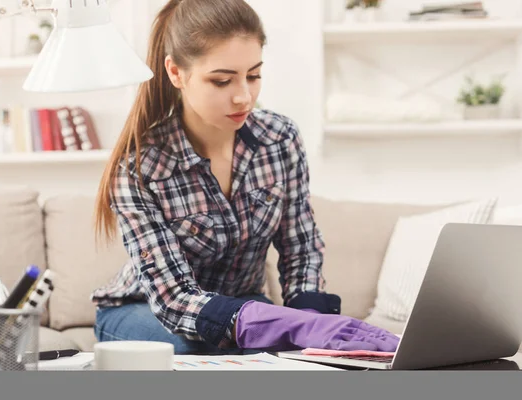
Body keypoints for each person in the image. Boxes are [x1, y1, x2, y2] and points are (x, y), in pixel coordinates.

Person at [91, 0, 400, 355]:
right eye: (222, 80)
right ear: (176, 73)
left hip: (244, 302)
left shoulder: (279, 139)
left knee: (288, 354)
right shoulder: (139, 166)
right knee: (196, 347)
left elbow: (300, 245)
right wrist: (280, 326)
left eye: (253, 75)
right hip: (143, 308)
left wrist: (310, 323)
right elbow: (173, 298)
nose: (244, 96)